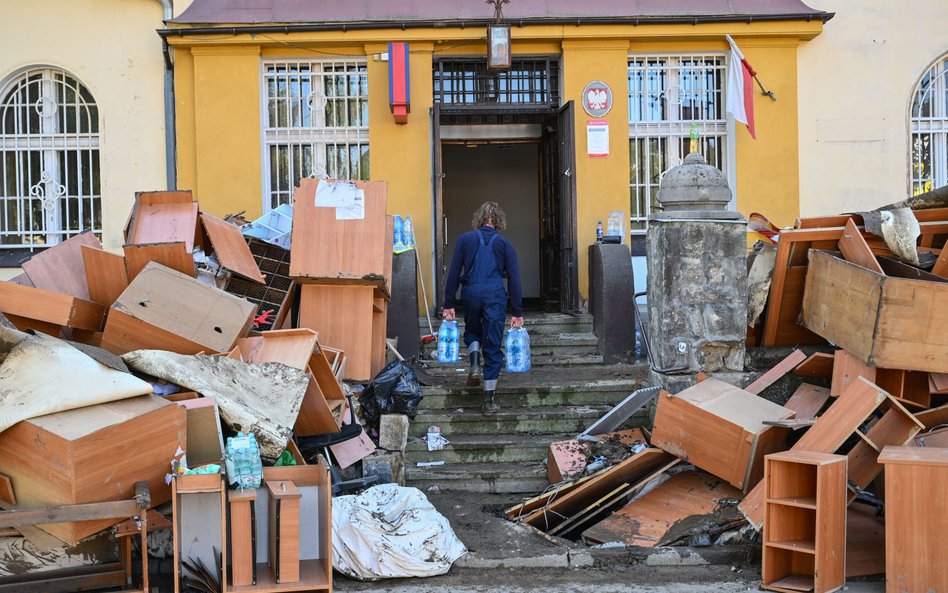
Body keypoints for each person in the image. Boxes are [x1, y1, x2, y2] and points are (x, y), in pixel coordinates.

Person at [442, 201, 524, 414]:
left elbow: (453, 273)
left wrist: (448, 303)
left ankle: (475, 363)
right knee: (493, 344)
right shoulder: (505, 244)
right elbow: (514, 279)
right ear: (498, 221)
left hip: (470, 293)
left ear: (480, 219)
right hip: (495, 296)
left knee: (472, 331)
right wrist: (517, 311)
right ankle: (488, 401)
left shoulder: (464, 240)